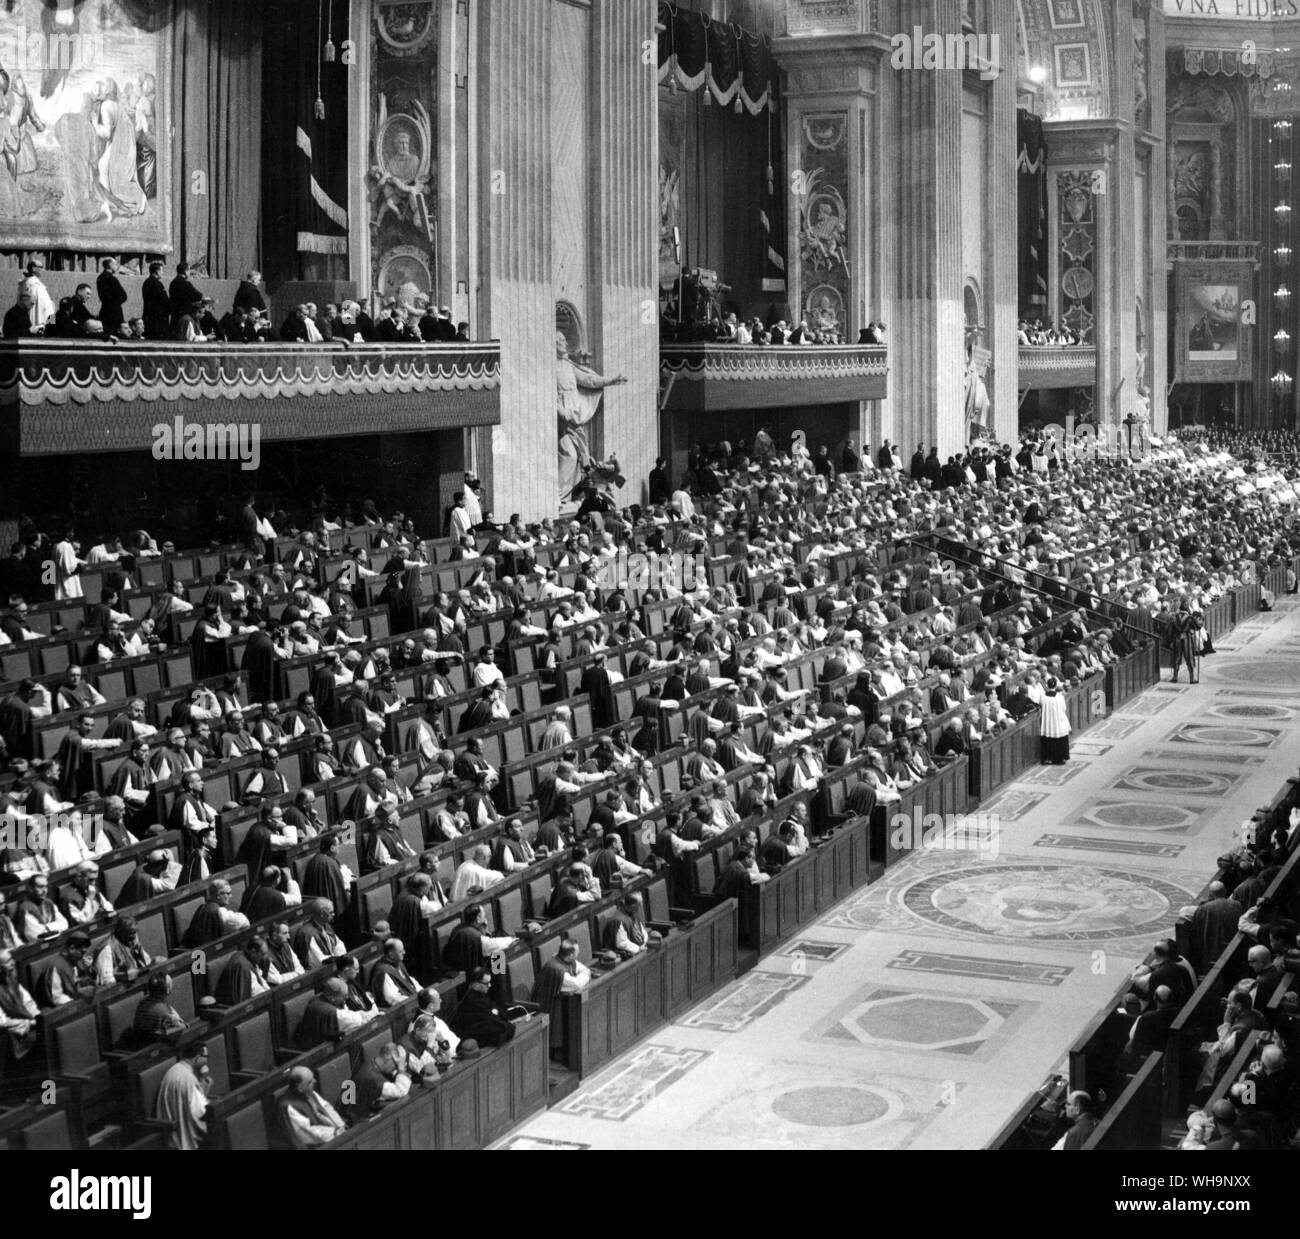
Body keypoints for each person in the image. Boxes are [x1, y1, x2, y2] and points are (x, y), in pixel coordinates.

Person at [155, 1042, 211, 1150]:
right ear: (198, 1057)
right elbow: (200, 1115)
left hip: (172, 1133)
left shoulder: (175, 1070)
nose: (206, 1061)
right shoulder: (189, 1080)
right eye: (206, 1057)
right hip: (183, 1138)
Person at [278, 1066, 347, 1147]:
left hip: (331, 1136)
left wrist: (340, 1125)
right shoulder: (288, 1106)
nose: (315, 1081)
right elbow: (308, 1133)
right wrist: (335, 1133)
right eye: (310, 1081)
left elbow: (326, 1108)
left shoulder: (309, 1092)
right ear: (300, 1087)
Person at [449, 966, 516, 1047]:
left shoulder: (481, 993)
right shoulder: (471, 1000)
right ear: (476, 983)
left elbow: (495, 1009)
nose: (490, 985)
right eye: (486, 983)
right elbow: (488, 1020)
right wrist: (496, 1015)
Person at [1038, 676, 1071, 765]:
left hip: (1047, 722)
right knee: (1059, 738)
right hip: (1058, 720)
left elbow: (1041, 706)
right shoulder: (1059, 697)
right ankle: (1059, 759)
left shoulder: (1043, 697)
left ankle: (1048, 758)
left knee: (1048, 739)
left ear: (1047, 685)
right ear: (1055, 686)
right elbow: (1064, 708)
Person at [96, 257, 128, 336]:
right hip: (115, 312)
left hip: (105, 310)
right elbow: (124, 296)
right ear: (110, 265)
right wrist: (116, 302)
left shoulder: (100, 278)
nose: (117, 266)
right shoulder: (112, 279)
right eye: (115, 264)